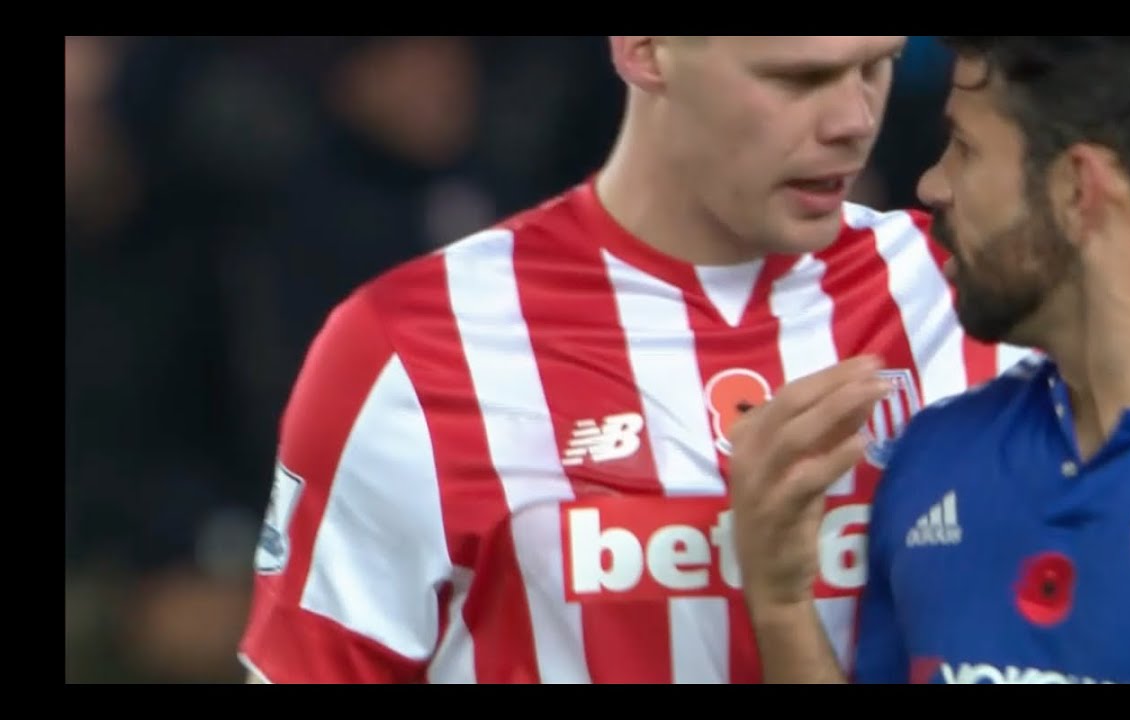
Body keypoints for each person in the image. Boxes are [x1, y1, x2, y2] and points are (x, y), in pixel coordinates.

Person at [236, 36, 1033, 684]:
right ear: (644, 50)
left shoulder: (977, 297)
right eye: (799, 78)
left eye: (876, 66)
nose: (853, 121)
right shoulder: (415, 346)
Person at [730, 36, 1130, 684]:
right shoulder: (939, 456)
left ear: (1077, 190)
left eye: (965, 148)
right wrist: (783, 607)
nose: (932, 184)